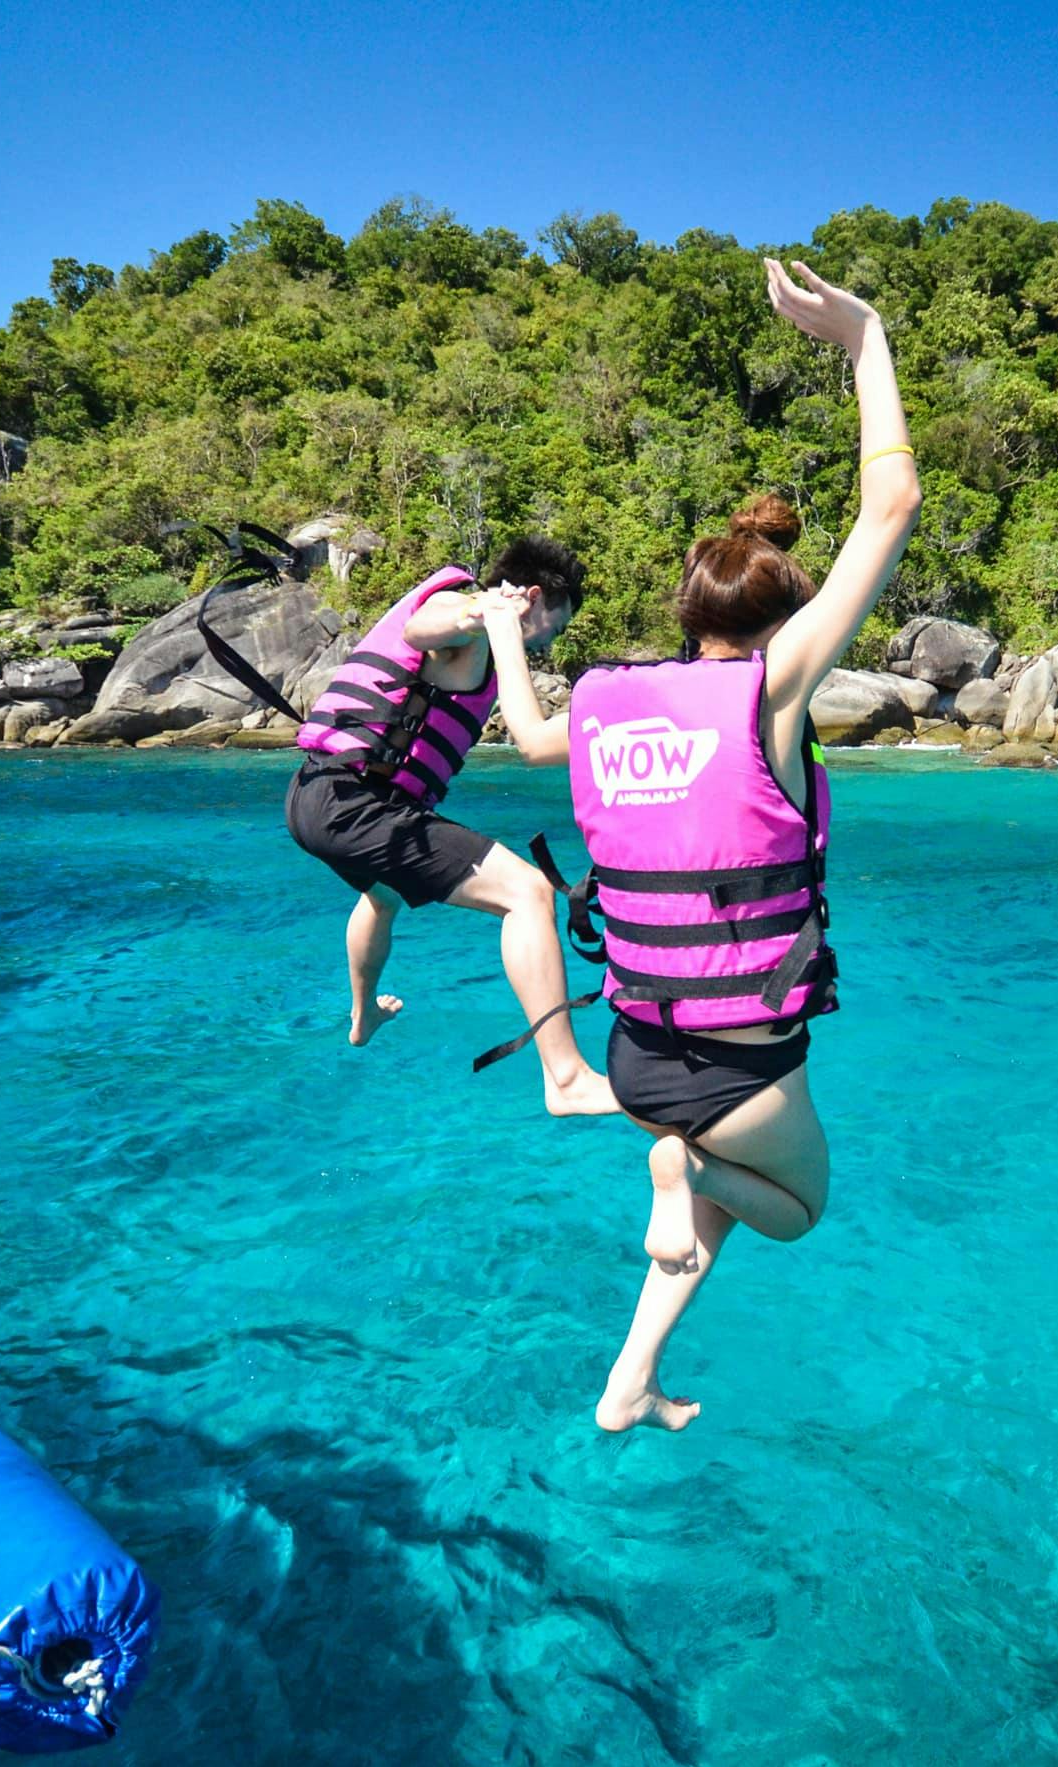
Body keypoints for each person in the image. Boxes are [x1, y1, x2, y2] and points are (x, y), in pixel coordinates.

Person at [483, 257, 920, 1430]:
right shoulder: (770, 694)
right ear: (780, 625)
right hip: (734, 1069)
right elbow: (890, 511)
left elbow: (523, 733)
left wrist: (500, 627)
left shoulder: (609, 703)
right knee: (791, 1204)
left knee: (707, 1189)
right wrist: (865, 339)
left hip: (635, 1050)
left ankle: (630, 1382)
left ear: (686, 616)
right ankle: (674, 1166)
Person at [285, 538, 618, 1117]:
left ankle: (363, 1017)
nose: (545, 643)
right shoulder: (468, 615)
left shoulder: (477, 639)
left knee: (382, 897)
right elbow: (424, 628)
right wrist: (486, 612)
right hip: (354, 804)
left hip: (315, 796)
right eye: (551, 629)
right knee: (529, 894)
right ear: (531, 598)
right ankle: (565, 1077)